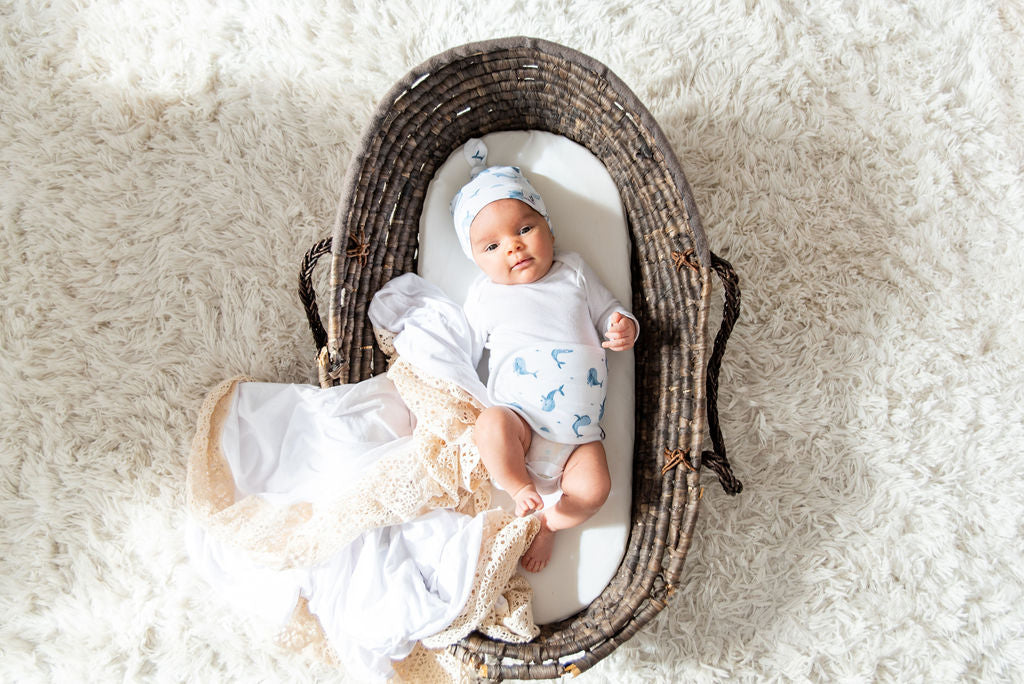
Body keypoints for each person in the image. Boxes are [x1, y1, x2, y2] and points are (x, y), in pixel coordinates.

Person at [450, 139, 638, 572]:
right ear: (475, 260)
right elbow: (464, 351)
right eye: (491, 247)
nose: (512, 247)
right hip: (522, 421)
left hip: (578, 438)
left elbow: (610, 309)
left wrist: (622, 325)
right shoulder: (484, 296)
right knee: (489, 424)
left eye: (523, 229)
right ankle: (519, 489)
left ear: (548, 227)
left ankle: (549, 524)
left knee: (594, 489)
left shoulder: (573, 271)